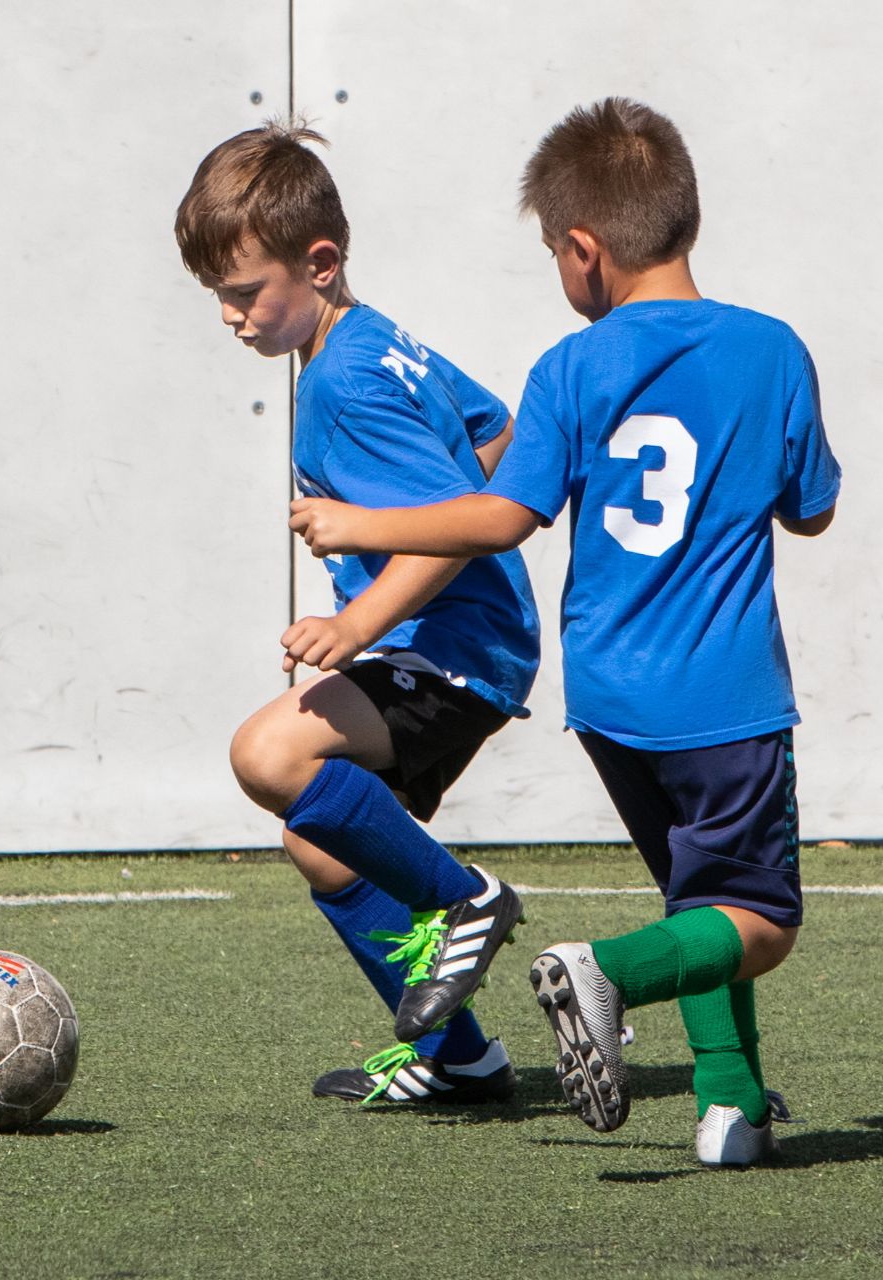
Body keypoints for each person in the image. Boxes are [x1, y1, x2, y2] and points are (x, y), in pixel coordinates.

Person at [290, 98, 839, 1166]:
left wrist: (362, 523)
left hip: (609, 698)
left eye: (553, 251)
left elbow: (503, 516)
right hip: (724, 695)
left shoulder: (571, 367)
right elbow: (811, 506)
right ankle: (607, 974)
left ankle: (729, 1104)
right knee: (759, 918)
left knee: (703, 893)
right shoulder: (770, 349)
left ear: (584, 251)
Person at [174, 121, 537, 1106]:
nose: (231, 317)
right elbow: (497, 433)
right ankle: (462, 1058)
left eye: (245, 292)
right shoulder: (384, 341)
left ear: (319, 262)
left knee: (268, 755)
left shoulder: (342, 381)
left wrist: (358, 621)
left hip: (448, 650)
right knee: (320, 836)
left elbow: (458, 535)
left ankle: (470, 899)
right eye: (219, 296)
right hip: (480, 645)